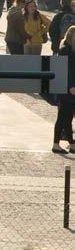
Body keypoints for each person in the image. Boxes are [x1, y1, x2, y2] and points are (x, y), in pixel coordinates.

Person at [53, 26, 75, 154]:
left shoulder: (70, 50)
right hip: (66, 88)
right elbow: (67, 70)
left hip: (69, 87)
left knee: (67, 118)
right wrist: (71, 86)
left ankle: (71, 144)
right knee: (62, 117)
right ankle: (56, 144)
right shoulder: (66, 50)